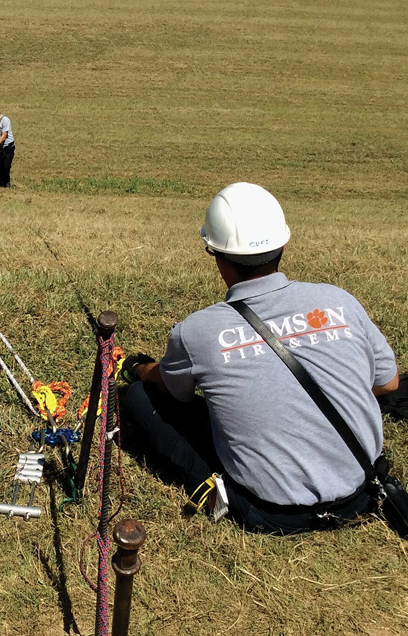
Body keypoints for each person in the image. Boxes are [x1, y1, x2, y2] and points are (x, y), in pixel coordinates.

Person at [122, 182, 399, 534]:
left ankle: (218, 493)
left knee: (138, 398)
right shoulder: (338, 300)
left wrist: (139, 368)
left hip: (270, 512)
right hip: (362, 492)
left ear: (217, 256)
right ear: (282, 244)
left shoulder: (198, 331)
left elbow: (173, 392)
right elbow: (387, 382)